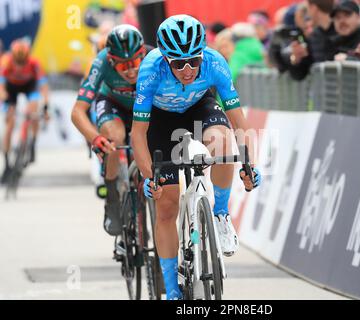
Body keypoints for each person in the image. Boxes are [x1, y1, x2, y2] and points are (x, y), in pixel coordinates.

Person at [131, 15, 261, 300]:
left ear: (203, 54)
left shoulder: (214, 62)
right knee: (166, 206)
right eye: (178, 63)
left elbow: (239, 120)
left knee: (224, 142)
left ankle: (221, 215)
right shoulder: (151, 70)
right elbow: (138, 135)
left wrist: (249, 164)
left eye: (194, 60)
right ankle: (172, 288)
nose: (188, 69)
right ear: (166, 60)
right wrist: (149, 176)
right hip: (160, 120)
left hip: (199, 108)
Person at [71, 24, 151, 236]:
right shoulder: (101, 63)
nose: (131, 70)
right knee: (114, 139)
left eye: (134, 62)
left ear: (142, 54)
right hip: (113, 104)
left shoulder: (154, 57)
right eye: (123, 67)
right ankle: (113, 200)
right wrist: (95, 138)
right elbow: (77, 112)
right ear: (111, 61)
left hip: (144, 107)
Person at [0, 39, 49, 184]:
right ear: (13, 58)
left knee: (33, 109)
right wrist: (5, 101)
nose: (20, 67)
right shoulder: (5, 62)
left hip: (29, 86)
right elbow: (1, 88)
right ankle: (7, 162)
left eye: (23, 63)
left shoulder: (34, 63)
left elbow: (44, 88)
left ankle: (32, 142)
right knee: (10, 123)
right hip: (11, 89)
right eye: (18, 63)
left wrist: (45, 106)